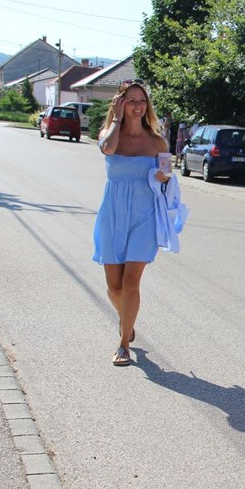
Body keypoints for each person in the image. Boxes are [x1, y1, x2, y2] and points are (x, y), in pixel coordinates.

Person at [93, 80, 171, 367]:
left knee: (130, 282)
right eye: (131, 101)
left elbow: (167, 171)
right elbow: (107, 149)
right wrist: (116, 119)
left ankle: (123, 343)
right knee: (114, 288)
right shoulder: (108, 133)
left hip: (144, 216)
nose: (138, 106)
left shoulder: (157, 140)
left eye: (142, 100)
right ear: (120, 103)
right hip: (113, 215)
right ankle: (126, 319)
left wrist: (163, 176)